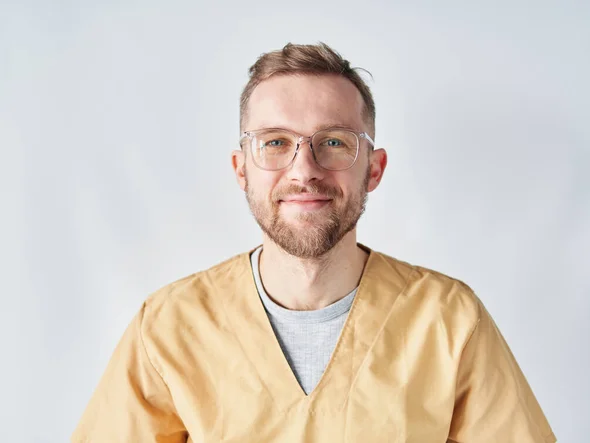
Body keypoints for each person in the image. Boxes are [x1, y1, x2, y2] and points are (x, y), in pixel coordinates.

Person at [72, 42, 557, 443]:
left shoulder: (450, 321)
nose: (304, 170)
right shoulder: (169, 327)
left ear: (375, 168)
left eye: (334, 142)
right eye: (276, 142)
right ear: (242, 168)